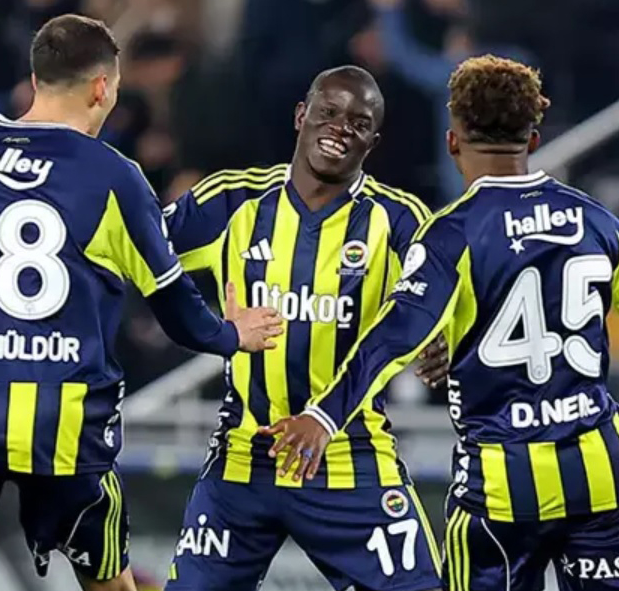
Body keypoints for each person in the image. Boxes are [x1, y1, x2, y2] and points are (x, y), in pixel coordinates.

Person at [268, 55, 619, 591]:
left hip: (501, 491)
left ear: (452, 143)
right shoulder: (596, 222)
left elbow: (396, 336)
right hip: (605, 479)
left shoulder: (450, 235)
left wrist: (323, 416)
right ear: (533, 140)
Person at [0, 14, 282, 591]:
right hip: (60, 420)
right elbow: (174, 306)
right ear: (101, 87)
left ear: (35, 79)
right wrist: (231, 334)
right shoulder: (112, 175)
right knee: (107, 580)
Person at [161, 65, 447, 591]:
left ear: (373, 142)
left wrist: (447, 338)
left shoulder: (399, 220)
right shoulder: (232, 201)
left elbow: (443, 305)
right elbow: (138, 261)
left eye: (359, 123)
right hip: (243, 459)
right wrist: (212, 330)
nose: (340, 128)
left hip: (351, 459)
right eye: (329, 112)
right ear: (301, 115)